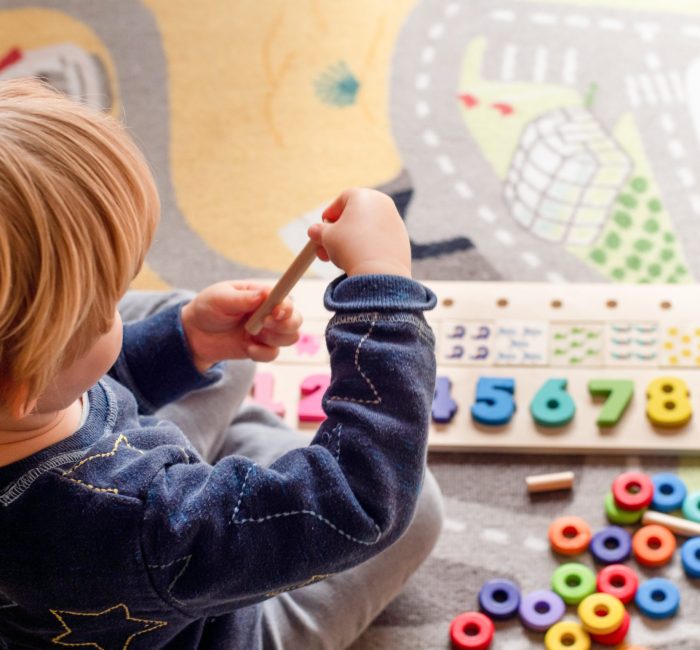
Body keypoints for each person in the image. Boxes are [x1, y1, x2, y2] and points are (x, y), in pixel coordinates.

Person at [0, 78, 443, 649]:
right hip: (216, 625)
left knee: (185, 325)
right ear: (23, 378)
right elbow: (361, 498)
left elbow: (72, 388)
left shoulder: (22, 402)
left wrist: (185, 343)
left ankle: (220, 460)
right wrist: (381, 290)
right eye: (105, 306)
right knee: (418, 507)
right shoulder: (144, 525)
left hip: (109, 559)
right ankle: (234, 495)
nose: (117, 306)